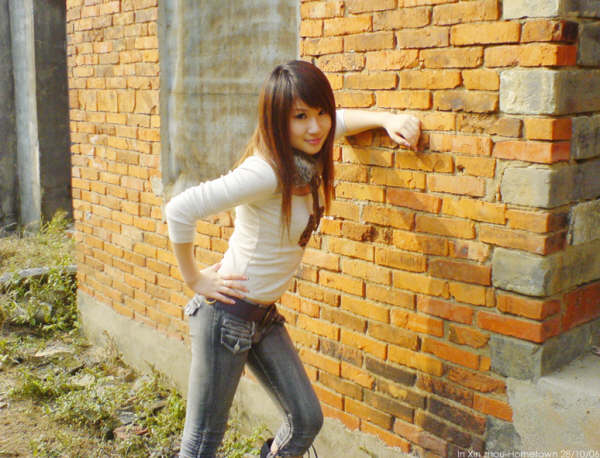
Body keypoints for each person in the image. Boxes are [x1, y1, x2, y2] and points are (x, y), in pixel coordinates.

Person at [165, 60, 420, 458]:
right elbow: (180, 209)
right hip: (226, 317)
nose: (315, 127)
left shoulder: (306, 157)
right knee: (201, 446)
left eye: (320, 113)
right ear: (277, 120)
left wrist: (387, 120)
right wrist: (195, 279)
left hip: (262, 318)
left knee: (305, 420)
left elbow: (339, 122)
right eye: (300, 117)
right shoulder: (266, 172)